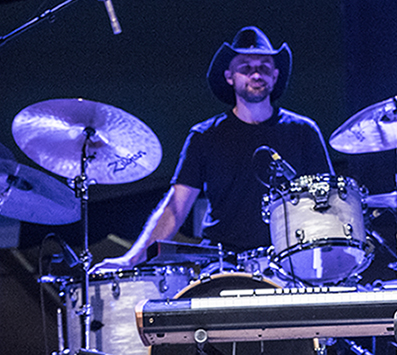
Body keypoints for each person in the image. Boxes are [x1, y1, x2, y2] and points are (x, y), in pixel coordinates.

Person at [93, 26, 333, 270]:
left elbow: (326, 200)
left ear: (275, 75)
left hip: (288, 261)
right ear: (230, 76)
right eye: (246, 67)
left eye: (264, 67)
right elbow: (175, 207)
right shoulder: (205, 135)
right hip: (223, 263)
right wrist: (131, 259)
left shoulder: (303, 131)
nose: (256, 74)